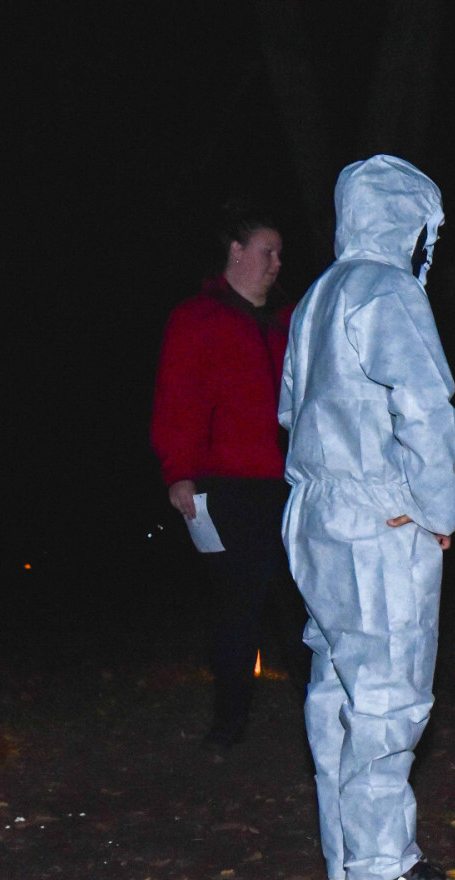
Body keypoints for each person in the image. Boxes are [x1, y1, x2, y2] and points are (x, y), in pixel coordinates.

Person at [280, 155, 455, 880]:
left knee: (336, 686)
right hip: (375, 513)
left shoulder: (317, 296)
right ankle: (382, 864)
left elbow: (290, 409)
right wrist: (437, 508)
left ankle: (348, 852)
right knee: (388, 687)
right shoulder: (387, 289)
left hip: (313, 511)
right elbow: (423, 404)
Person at [151, 200, 292, 747]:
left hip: (291, 487)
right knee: (238, 608)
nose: (276, 263)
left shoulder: (287, 322)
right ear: (236, 251)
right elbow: (177, 401)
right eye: (267, 251)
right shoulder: (198, 318)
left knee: (299, 604)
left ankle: (319, 714)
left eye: (279, 254)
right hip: (229, 489)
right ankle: (229, 723)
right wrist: (179, 473)